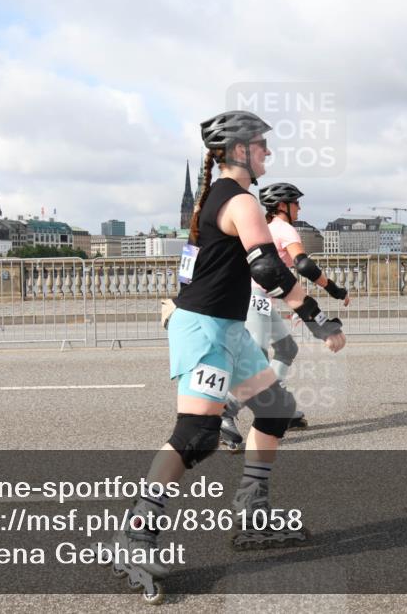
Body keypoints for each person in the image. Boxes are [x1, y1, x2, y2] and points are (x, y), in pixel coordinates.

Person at [107, 110, 346, 604]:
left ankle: (251, 512)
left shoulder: (218, 197)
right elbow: (266, 267)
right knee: (196, 435)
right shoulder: (239, 200)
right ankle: (136, 533)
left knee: (276, 409)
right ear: (239, 150)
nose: (268, 152)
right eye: (261, 144)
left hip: (227, 329)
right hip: (208, 333)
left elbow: (211, 267)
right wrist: (318, 317)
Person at [219, 182, 352, 452]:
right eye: (295, 202)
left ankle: (277, 403)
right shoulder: (284, 228)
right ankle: (226, 411)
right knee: (256, 364)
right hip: (254, 301)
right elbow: (303, 264)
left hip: (255, 299)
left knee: (286, 348)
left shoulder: (262, 228)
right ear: (283, 206)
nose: (300, 207)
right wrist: (335, 289)